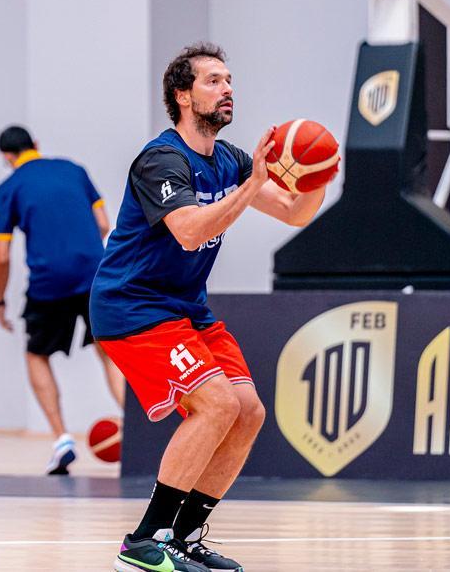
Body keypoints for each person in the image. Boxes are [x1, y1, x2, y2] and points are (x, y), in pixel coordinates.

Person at [90, 43, 332, 572]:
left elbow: (293, 214)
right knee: (217, 405)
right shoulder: (162, 159)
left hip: (185, 308)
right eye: (214, 80)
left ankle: (183, 538)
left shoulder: (231, 159)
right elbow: (190, 229)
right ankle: (144, 542)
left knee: (247, 413)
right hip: (134, 305)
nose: (228, 89)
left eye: (230, 80)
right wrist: (253, 185)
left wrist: (318, 176)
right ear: (183, 95)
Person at [0, 126, 126, 474]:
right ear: (35, 146)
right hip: (94, 273)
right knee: (108, 350)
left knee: (36, 354)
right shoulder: (74, 169)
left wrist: (0, 299)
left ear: (8, 157)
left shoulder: (9, 188)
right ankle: (141, 432)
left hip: (49, 283)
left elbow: (2, 256)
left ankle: (61, 439)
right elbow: (103, 222)